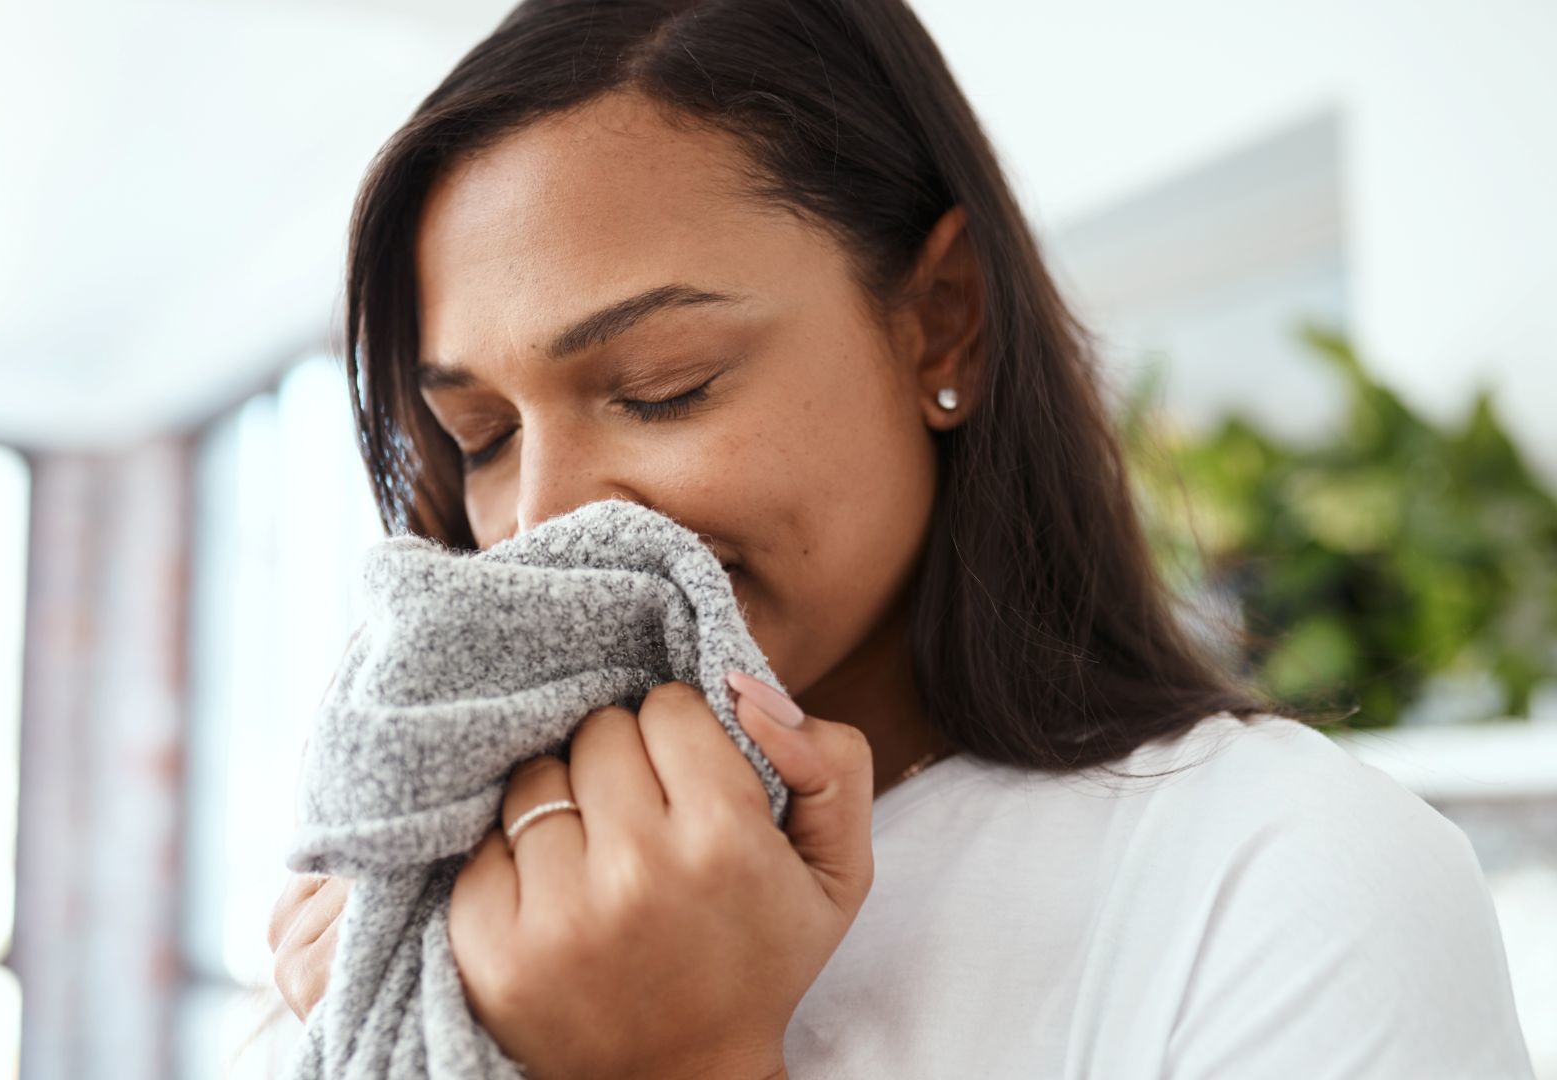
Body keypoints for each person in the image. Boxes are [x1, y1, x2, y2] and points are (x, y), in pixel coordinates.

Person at [266, 0, 1537, 1076]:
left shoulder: (1290, 878)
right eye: (481, 435)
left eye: (663, 384)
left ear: (943, 324)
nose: (540, 525)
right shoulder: (421, 919)